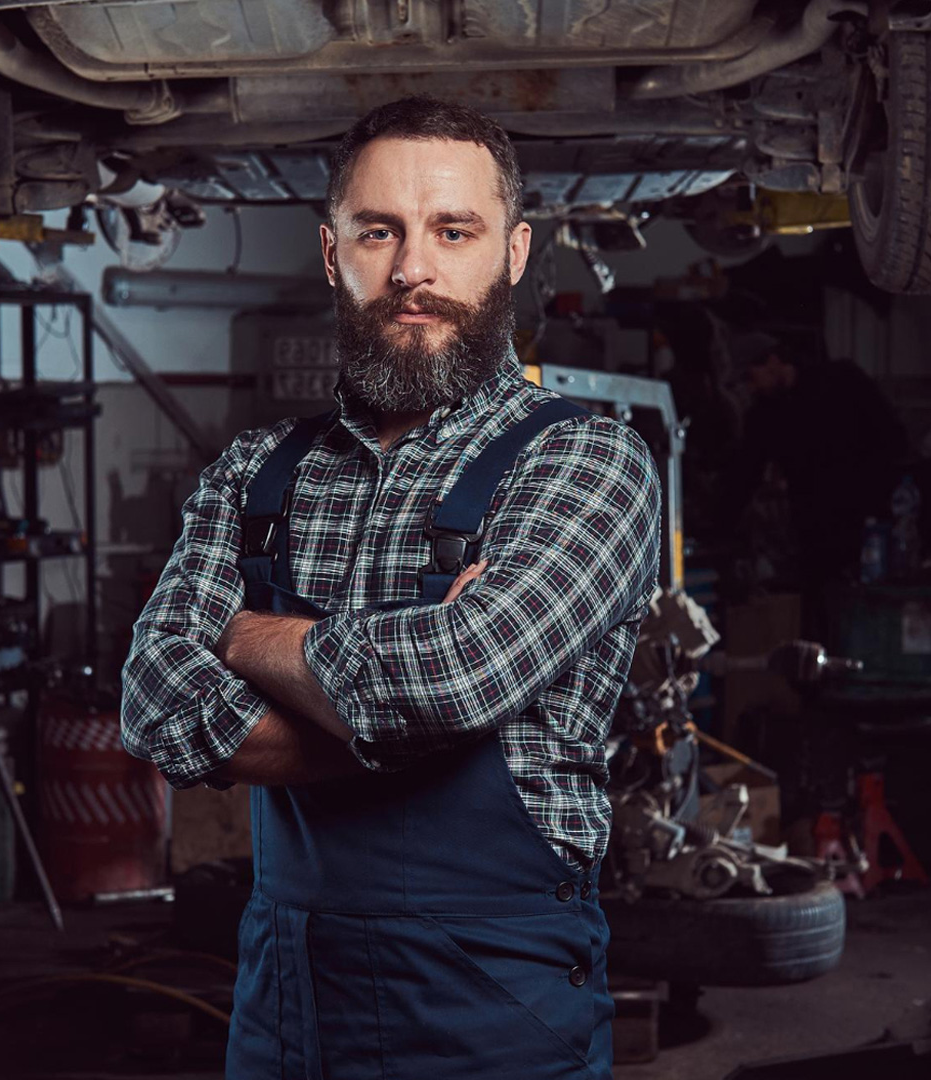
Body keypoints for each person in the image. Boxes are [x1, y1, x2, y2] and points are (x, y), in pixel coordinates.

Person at [121, 96, 661, 1080]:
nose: (414, 268)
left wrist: (243, 637)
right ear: (334, 253)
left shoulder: (587, 462)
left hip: (494, 1015)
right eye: (380, 231)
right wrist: (407, 714)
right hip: (284, 1013)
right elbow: (157, 707)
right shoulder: (255, 471)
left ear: (513, 252)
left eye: (454, 231)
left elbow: (450, 682)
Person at [724, 335, 906, 610]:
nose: (751, 387)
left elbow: (893, 440)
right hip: (815, 537)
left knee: (868, 607)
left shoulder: (843, 381)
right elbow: (744, 475)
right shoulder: (766, 414)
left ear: (773, 361)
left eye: (751, 376)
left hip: (867, 527)